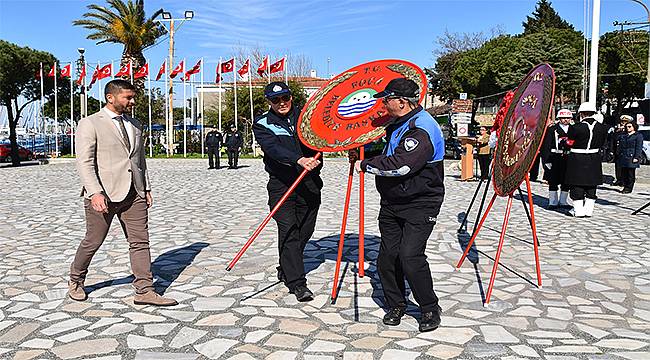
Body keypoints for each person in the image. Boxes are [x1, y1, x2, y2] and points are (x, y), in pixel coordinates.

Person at [70, 79, 177, 306]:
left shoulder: (136, 124)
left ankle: (144, 290)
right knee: (93, 240)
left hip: (134, 193)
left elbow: (139, 160)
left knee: (140, 242)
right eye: (128, 97)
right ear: (111, 97)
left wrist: (145, 187)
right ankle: (76, 280)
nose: (132, 101)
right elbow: (85, 163)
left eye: (133, 97)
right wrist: (95, 193)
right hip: (103, 194)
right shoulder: (90, 123)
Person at [353, 78, 445, 332]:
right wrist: (366, 153)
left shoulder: (421, 128)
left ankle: (429, 308)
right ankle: (396, 304)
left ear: (402, 102)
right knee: (387, 257)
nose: (384, 103)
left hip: (420, 203)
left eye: (387, 99)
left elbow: (402, 165)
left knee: (410, 256)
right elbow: (390, 153)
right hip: (393, 202)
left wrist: (365, 165)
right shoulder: (399, 124)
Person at [252, 81, 322, 302]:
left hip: (309, 182)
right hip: (281, 184)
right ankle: (297, 283)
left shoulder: (306, 117)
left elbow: (323, 136)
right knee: (289, 229)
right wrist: (298, 159)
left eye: (285, 98)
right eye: (275, 100)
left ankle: (286, 266)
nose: (281, 103)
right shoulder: (262, 123)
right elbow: (273, 149)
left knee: (305, 229)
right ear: (269, 102)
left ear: (291, 97)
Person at [564, 102, 607, 218]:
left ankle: (578, 211)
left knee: (577, 184)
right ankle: (588, 210)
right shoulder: (602, 128)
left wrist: (564, 143)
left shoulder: (575, 127)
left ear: (581, 114)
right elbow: (603, 143)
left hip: (577, 158)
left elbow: (569, 143)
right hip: (594, 158)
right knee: (591, 184)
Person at [541, 109, 572, 208]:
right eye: (563, 118)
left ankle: (563, 201)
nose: (565, 120)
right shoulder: (552, 129)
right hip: (554, 157)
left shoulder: (573, 129)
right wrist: (546, 161)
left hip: (568, 157)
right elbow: (546, 147)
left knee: (566, 181)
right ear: (559, 118)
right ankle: (553, 201)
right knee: (553, 181)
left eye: (568, 118)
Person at [616, 120, 644, 193]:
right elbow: (616, 139)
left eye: (629, 126)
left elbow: (638, 147)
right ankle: (625, 186)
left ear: (634, 127)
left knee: (630, 174)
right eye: (626, 127)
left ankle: (629, 188)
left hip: (631, 156)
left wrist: (636, 157)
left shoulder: (638, 135)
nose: (628, 128)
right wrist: (619, 130)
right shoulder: (624, 135)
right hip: (624, 156)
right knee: (624, 173)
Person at [613, 115, 632, 185]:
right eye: (622, 121)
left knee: (625, 167)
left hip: (626, 152)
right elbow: (614, 140)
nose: (623, 123)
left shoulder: (629, 130)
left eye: (625, 122)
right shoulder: (618, 130)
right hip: (618, 151)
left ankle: (625, 180)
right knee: (618, 166)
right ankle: (619, 179)